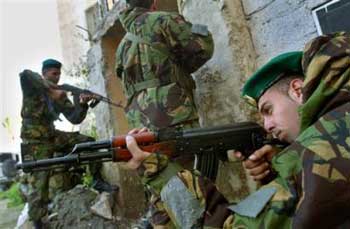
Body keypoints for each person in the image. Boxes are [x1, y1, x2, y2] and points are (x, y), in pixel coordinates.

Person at [123, 31, 350, 228]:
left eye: (268, 110)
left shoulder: (325, 147)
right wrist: (281, 169)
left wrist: (161, 173)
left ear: (298, 90)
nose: (268, 126)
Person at [115, 0, 214, 226]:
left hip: (140, 122)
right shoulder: (163, 20)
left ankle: (160, 222)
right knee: (185, 179)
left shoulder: (122, 46)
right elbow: (203, 47)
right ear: (154, 2)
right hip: (172, 113)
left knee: (159, 179)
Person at [20, 59, 116, 228]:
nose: (57, 77)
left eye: (58, 74)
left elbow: (74, 118)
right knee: (40, 183)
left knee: (88, 143)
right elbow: (25, 74)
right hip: (35, 141)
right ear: (44, 73)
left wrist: (83, 104)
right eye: (53, 73)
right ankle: (37, 222)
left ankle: (96, 179)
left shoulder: (61, 93)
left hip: (52, 136)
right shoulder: (33, 86)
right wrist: (51, 91)